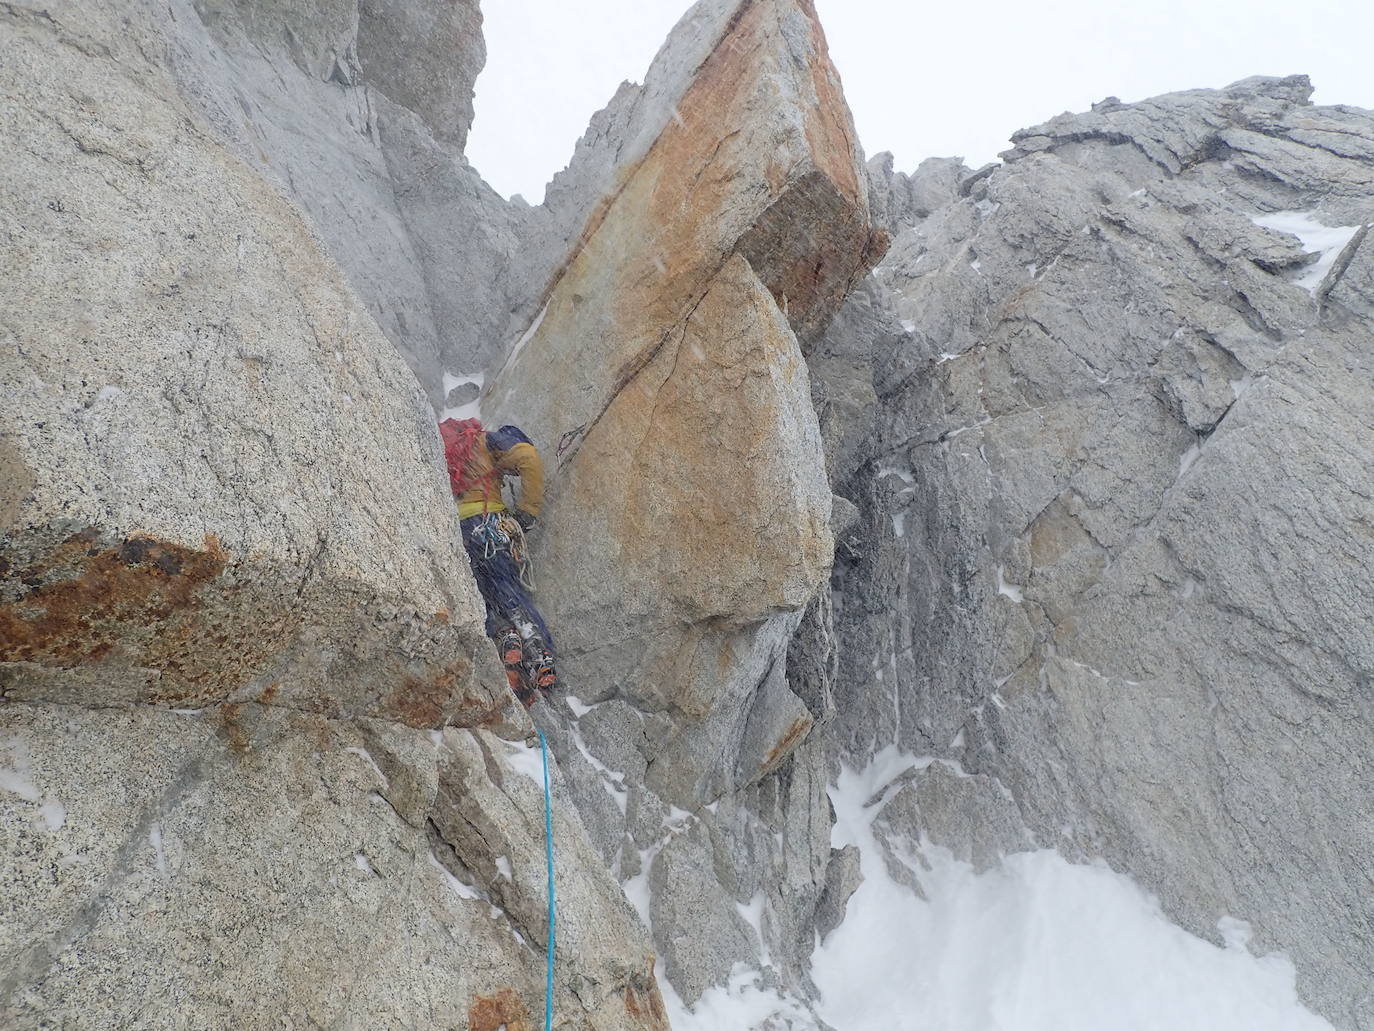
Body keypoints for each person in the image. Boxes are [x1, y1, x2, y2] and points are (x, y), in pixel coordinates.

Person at [439, 417, 556, 707]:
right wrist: (527, 512)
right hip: (490, 526)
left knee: (483, 599)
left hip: (458, 535)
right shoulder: (487, 440)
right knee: (509, 591)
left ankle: (507, 640)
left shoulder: (441, 452)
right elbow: (529, 459)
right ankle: (539, 657)